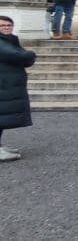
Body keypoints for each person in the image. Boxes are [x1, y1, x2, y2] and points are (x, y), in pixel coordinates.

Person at [0, 16, 36, 162]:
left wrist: (26, 57)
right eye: (2, 25)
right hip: (3, 85)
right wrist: (31, 54)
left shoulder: (9, 40)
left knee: (1, 118)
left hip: (5, 85)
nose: (6, 27)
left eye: (8, 25)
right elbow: (20, 56)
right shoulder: (2, 43)